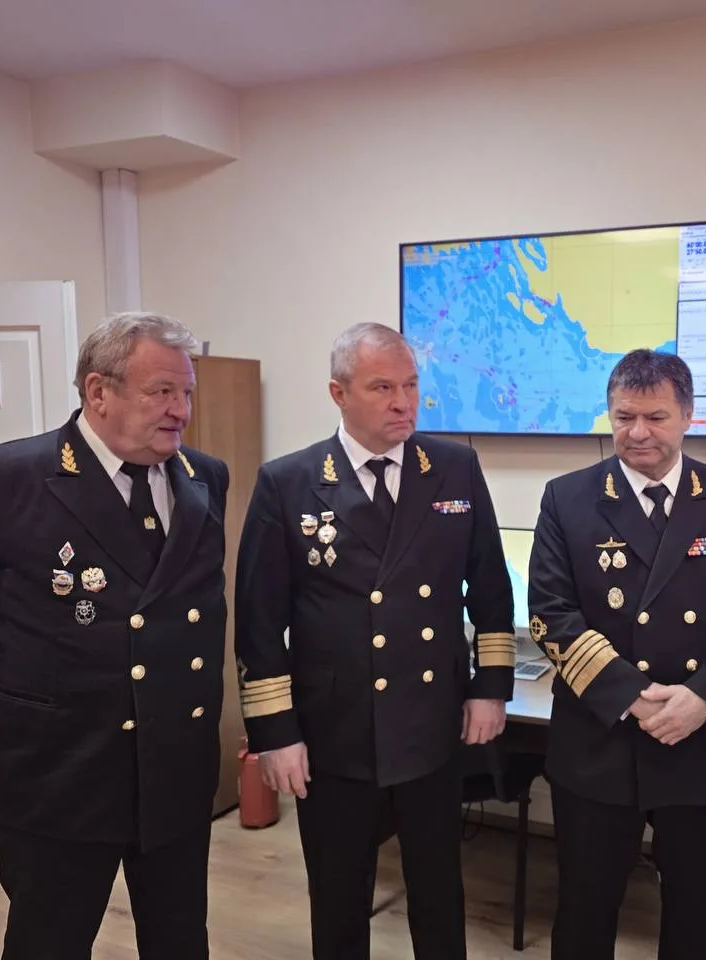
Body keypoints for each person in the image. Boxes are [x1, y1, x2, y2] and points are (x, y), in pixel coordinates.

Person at [0, 312, 230, 959]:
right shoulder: (1, 479)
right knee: (49, 943)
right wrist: (3, 695)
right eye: (161, 392)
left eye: (186, 392)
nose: (181, 410)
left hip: (174, 768)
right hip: (57, 773)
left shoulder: (205, 477)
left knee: (180, 942)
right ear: (99, 391)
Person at [234, 321, 514, 960]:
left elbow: (491, 587)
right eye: (382, 387)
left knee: (439, 889)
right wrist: (275, 733)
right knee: (338, 895)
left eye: (411, 386)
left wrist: (491, 687)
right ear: (339, 393)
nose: (403, 403)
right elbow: (258, 622)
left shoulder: (454, 468)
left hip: (431, 720)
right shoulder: (289, 482)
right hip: (335, 729)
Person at [527, 349, 706, 960]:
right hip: (600, 739)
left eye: (656, 417)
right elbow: (550, 613)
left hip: (696, 738)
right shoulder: (568, 498)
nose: (637, 433)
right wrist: (634, 699)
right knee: (584, 909)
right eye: (624, 417)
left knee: (694, 909)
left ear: (688, 416)